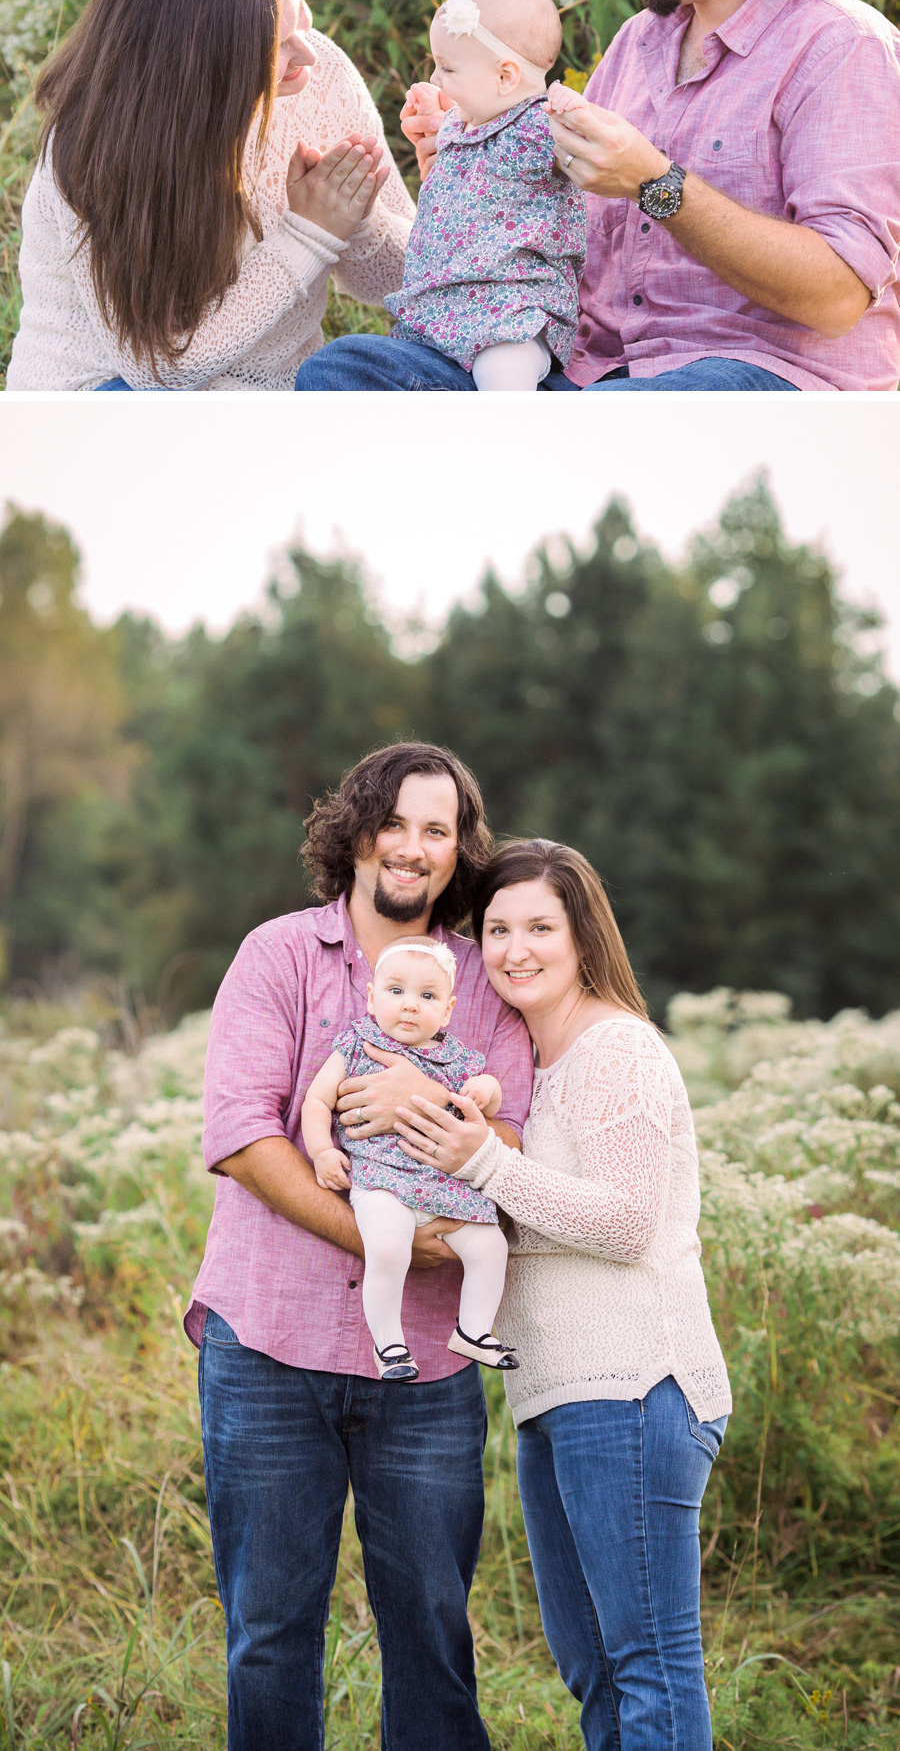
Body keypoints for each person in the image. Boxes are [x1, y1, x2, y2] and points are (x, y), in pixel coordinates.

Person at [184, 741, 534, 1750]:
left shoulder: (483, 980)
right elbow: (242, 1138)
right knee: (268, 1631)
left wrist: (426, 1104)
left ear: (458, 850)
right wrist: (391, 1245)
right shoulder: (279, 955)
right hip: (267, 1347)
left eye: (439, 829)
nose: (414, 847)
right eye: (397, 822)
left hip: (423, 1369)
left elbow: (508, 1135)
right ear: (358, 828)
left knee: (429, 1627)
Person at [391, 837, 731, 1750]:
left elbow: (626, 1224)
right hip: (555, 1398)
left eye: (540, 926)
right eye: (496, 929)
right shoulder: (526, 1071)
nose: (515, 949)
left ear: (583, 936)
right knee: (596, 1672)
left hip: (633, 1387)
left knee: (648, 1669)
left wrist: (486, 1163)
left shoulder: (617, 1048)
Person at [547, 0, 900, 391]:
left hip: (764, 377)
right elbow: (571, 242)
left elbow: (839, 295)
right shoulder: (637, 42)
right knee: (365, 364)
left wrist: (656, 185)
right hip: (600, 374)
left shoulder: (840, 45)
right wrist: (473, 157)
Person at [6, 0, 412, 391]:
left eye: (301, 16)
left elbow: (396, 285)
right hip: (109, 403)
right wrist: (308, 235)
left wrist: (355, 214)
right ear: (204, 69)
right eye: (276, 46)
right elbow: (159, 368)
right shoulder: (96, 150)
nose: (310, 55)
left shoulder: (320, 82)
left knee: (366, 367)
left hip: (271, 397)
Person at [297, 0, 586, 391]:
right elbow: (448, 127)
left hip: (514, 314)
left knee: (503, 379)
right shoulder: (464, 125)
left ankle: (518, 443)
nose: (435, 77)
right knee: (341, 368)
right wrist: (438, 105)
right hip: (442, 315)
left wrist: (574, 116)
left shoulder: (539, 127)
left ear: (505, 78)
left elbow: (596, 153)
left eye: (447, 68)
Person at [301, 937, 516, 1380]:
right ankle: (390, 1344)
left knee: (491, 1246)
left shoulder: (453, 1057)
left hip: (443, 1188)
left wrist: (485, 1091)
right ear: (372, 996)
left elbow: (488, 1100)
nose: (410, 1006)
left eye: (428, 996)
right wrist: (322, 1150)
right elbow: (317, 1101)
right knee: (387, 1248)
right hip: (381, 1182)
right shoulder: (357, 1045)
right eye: (396, 991)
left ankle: (473, 1331)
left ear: (448, 1009)